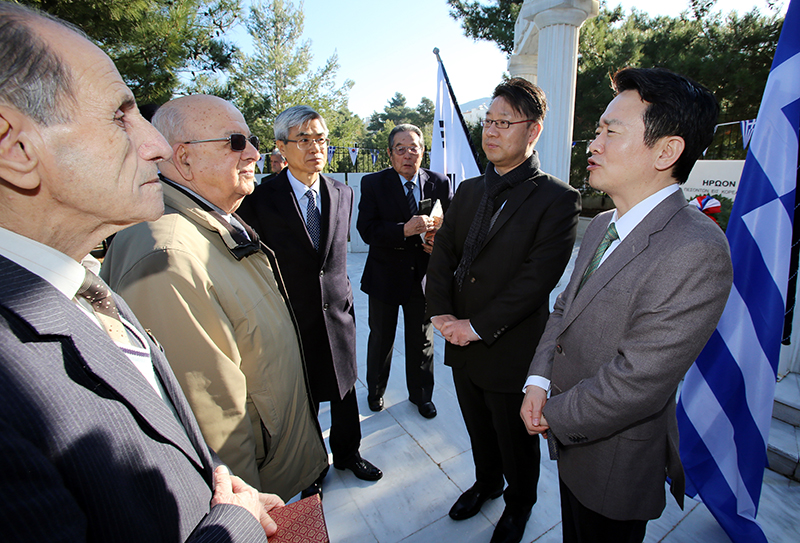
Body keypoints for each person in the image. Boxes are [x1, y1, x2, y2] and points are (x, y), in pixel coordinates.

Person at [0, 3, 283, 541]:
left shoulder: (80, 285)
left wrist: (215, 483)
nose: (154, 145)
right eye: (119, 115)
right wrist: (234, 526)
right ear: (14, 146)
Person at [521, 67, 733, 543]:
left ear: (666, 150)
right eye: (597, 130)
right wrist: (538, 380)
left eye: (610, 131)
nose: (592, 144)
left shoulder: (697, 248)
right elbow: (563, 311)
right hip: (571, 439)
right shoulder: (600, 225)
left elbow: (637, 381)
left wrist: (550, 414)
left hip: (615, 460)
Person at [101, 94, 327, 501]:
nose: (255, 153)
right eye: (236, 142)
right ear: (184, 159)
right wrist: (244, 517)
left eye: (252, 140)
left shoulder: (207, 223)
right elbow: (214, 430)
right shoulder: (166, 255)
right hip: (255, 498)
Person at [425, 78, 581, 543]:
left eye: (503, 122)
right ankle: (487, 483)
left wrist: (476, 326)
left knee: (515, 441)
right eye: (487, 121)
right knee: (477, 427)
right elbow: (444, 256)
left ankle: (519, 505)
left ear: (532, 131)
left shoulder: (557, 199)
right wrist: (440, 314)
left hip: (509, 347)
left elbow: (536, 281)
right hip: (460, 342)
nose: (490, 131)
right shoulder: (469, 191)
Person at [237, 105, 382, 497]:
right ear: (282, 146)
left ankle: (349, 454)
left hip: (338, 314)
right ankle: (312, 468)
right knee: (301, 400)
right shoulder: (261, 199)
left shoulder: (342, 191)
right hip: (290, 317)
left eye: (321, 139)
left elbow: (333, 259)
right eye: (304, 139)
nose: (315, 147)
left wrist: (345, 301)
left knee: (345, 389)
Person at [357, 124, 453, 418]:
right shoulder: (373, 183)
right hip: (384, 276)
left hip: (423, 278)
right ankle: (375, 391)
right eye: (401, 148)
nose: (408, 154)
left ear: (423, 151)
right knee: (381, 338)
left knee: (422, 340)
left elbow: (451, 226)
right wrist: (404, 230)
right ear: (390, 154)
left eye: (414, 148)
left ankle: (422, 396)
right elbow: (366, 230)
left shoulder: (439, 182)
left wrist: (438, 242)